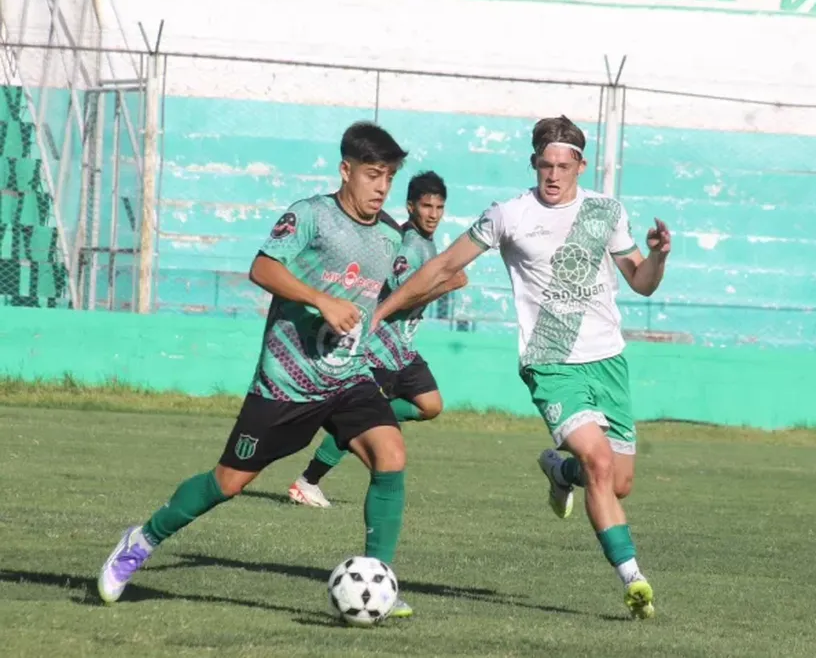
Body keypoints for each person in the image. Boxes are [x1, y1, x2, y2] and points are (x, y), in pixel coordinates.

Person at [97, 121, 419, 617]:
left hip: (347, 377)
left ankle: (378, 584)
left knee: (391, 455)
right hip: (286, 383)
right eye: (373, 174)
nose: (381, 187)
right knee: (227, 482)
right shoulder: (310, 216)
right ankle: (141, 540)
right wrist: (320, 300)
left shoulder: (391, 239)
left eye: (389, 178)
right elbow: (262, 268)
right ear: (346, 170)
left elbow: (382, 299)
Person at [369, 115, 670, 620]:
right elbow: (444, 266)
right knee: (599, 465)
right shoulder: (507, 215)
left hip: (608, 362)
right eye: (544, 165)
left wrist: (659, 256)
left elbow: (641, 282)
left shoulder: (607, 211)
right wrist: (381, 310)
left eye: (563, 166)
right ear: (534, 163)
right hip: (550, 362)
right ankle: (633, 579)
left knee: (617, 483)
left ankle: (558, 468)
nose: (553, 175)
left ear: (580, 165)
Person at [289, 170, 467, 509]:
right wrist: (447, 284)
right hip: (380, 348)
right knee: (361, 420)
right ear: (411, 206)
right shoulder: (408, 245)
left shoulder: (426, 243)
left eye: (439, 207)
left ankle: (375, 415)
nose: (433, 214)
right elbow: (400, 300)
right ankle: (307, 480)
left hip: (403, 350)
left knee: (431, 405)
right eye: (426, 206)